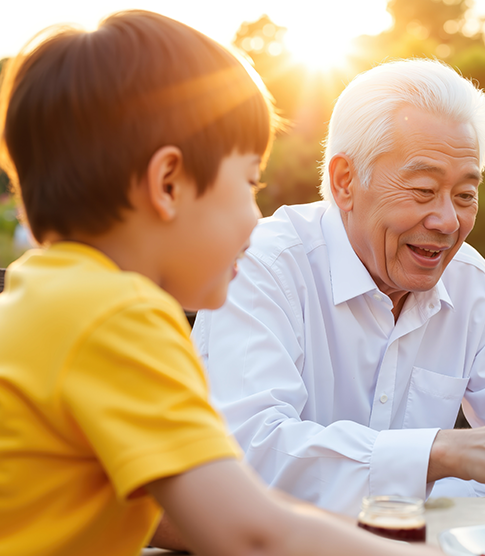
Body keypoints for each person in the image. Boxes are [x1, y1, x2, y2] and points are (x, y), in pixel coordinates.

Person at [0, 11, 441, 556]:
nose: (257, 218)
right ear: (168, 184)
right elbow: (251, 533)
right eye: (249, 182)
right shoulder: (118, 316)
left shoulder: (42, 296)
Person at [194, 58, 485, 516]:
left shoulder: (472, 288)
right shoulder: (263, 266)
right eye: (423, 190)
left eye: (465, 195)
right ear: (344, 181)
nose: (448, 221)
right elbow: (248, 458)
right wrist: (443, 454)